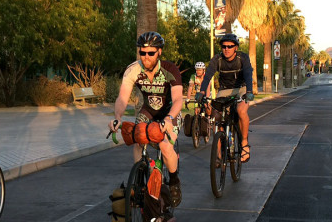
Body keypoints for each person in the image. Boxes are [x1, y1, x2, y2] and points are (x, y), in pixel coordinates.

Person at [108, 31, 184, 207]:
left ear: (159, 52)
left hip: (169, 111)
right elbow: (122, 98)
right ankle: (140, 182)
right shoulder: (133, 69)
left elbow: (179, 99)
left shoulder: (169, 69)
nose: (146, 57)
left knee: (165, 145)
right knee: (137, 139)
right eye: (142, 52)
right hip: (148, 110)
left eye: (151, 53)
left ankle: (174, 182)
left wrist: (170, 118)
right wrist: (117, 117)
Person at [195, 33, 253, 163]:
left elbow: (248, 73)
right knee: (217, 117)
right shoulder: (217, 59)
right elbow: (208, 75)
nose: (226, 49)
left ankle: (244, 142)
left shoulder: (243, 58)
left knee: (241, 110)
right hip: (225, 90)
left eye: (230, 46)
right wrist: (202, 91)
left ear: (236, 47)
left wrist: (249, 90)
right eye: (223, 46)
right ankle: (218, 153)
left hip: (242, 88)